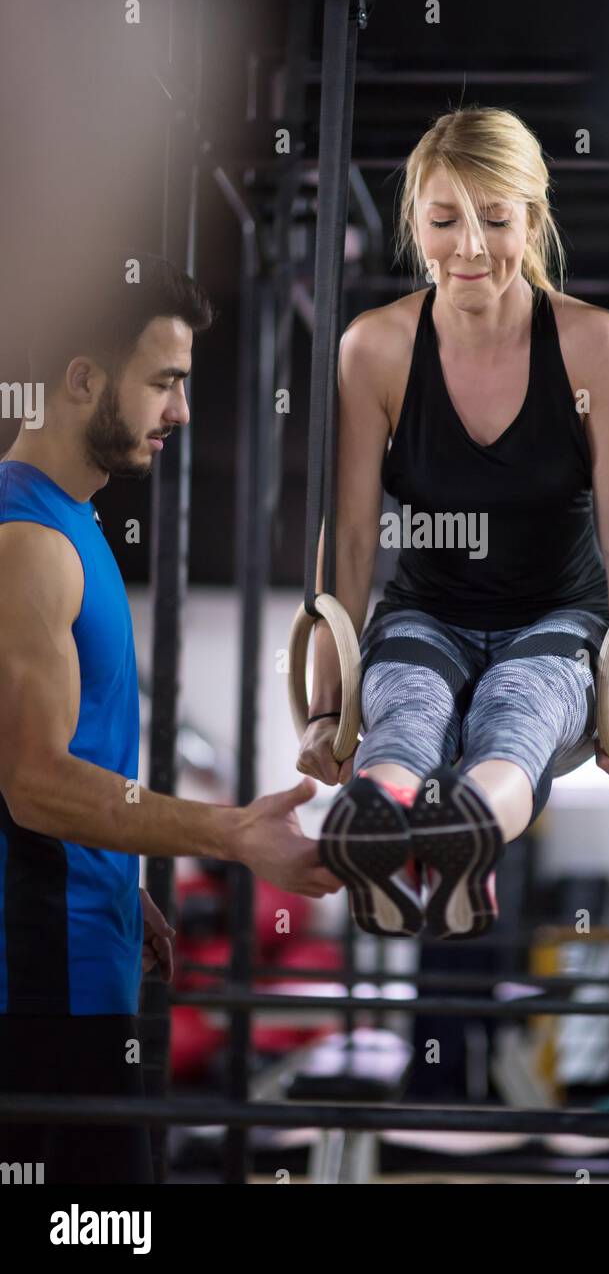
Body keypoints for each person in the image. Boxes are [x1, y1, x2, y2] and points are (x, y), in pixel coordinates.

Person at [0, 248, 340, 1184]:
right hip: (40, 996)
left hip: (85, 963)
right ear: (81, 380)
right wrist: (229, 831)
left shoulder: (73, 521)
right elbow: (32, 784)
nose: (182, 412)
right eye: (164, 383)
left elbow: (57, 759)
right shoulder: (27, 543)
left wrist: (121, 881)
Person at [297, 106, 609, 941]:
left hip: (557, 620)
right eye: (442, 220)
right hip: (426, 612)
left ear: (532, 219)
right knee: (406, 707)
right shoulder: (376, 351)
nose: (468, 247)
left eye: (495, 219)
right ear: (414, 224)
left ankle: (460, 833)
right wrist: (324, 708)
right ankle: (376, 831)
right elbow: (349, 539)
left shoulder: (594, 348)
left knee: (519, 706)